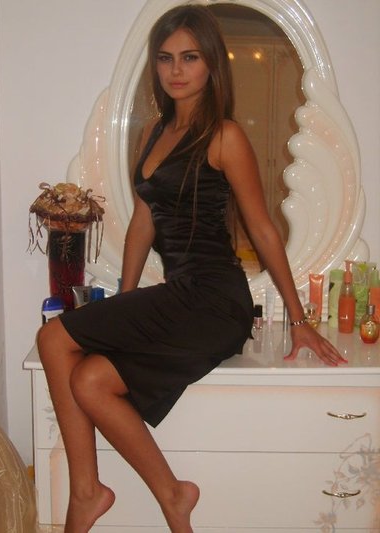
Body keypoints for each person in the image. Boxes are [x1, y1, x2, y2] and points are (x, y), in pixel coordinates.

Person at [37, 5, 346, 533]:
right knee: (89, 379)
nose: (176, 70)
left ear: (211, 65)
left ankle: (85, 493)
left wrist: (299, 320)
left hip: (214, 300)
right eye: (165, 59)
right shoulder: (153, 134)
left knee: (52, 338)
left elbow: (262, 229)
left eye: (189, 57)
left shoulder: (224, 136)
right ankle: (173, 495)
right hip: (181, 294)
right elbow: (143, 222)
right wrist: (125, 300)